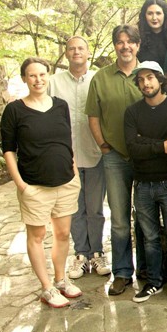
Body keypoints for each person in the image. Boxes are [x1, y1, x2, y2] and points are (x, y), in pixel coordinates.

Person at [1, 57, 82, 308]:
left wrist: (74, 170)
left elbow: (67, 140)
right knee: (37, 235)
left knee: (63, 233)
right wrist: (21, 184)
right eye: (32, 75)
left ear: (49, 76)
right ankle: (46, 288)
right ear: (25, 78)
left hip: (65, 182)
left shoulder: (60, 105)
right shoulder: (14, 110)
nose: (38, 80)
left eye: (42, 74)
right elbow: (8, 150)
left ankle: (60, 280)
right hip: (34, 185)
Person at [85, 24, 144, 296]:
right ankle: (122, 272)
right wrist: (103, 146)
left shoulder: (148, 74)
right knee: (119, 218)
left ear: (138, 45)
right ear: (114, 46)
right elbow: (93, 116)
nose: (125, 46)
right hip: (115, 158)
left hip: (145, 158)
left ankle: (147, 269)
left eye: (130, 41)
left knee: (145, 217)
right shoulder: (101, 77)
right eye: (119, 42)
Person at [124, 61, 167, 304]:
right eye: (140, 80)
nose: (145, 83)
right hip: (142, 183)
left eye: (149, 77)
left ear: (160, 79)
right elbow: (132, 147)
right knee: (148, 237)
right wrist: (161, 145)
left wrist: (145, 143)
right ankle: (154, 282)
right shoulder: (132, 112)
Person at [49, 36, 109, 279]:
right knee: (74, 209)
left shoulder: (98, 79)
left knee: (95, 208)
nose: (76, 52)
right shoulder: (53, 82)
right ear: (66, 54)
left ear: (88, 53)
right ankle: (81, 255)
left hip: (95, 152)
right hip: (66, 157)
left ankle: (97, 253)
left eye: (81, 48)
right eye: (71, 48)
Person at [137, 0, 167, 66]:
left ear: (165, 15)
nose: (154, 18)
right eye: (150, 13)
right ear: (144, 16)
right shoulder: (137, 40)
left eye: (158, 13)